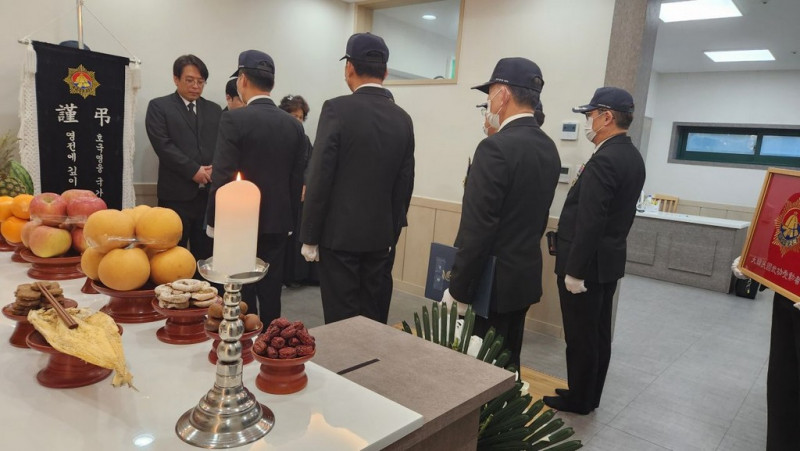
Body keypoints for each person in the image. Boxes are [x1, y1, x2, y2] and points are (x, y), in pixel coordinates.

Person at [442, 58, 561, 371]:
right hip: (521, 279)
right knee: (507, 365)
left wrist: (458, 290)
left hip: (488, 286)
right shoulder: (548, 148)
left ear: (504, 94)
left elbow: (479, 229)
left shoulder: (494, 148)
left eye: (490, 93)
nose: (489, 103)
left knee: (477, 371)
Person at [300, 32, 415, 325]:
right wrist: (391, 234)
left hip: (338, 238)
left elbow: (320, 176)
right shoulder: (403, 118)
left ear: (349, 67)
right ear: (385, 72)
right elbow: (404, 185)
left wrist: (310, 236)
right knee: (373, 317)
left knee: (342, 320)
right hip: (381, 239)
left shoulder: (336, 109)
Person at [544, 87, 646, 415]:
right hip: (608, 261)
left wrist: (574, 271)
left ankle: (579, 399)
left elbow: (590, 220)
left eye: (590, 115)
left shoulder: (605, 159)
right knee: (598, 334)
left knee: (581, 336)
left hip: (586, 266)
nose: (588, 122)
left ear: (607, 117)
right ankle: (589, 394)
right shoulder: (631, 156)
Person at [206, 50, 305, 326]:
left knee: (242, 287)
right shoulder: (294, 125)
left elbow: (223, 175)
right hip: (278, 221)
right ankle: (272, 338)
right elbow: (296, 179)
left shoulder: (234, 119)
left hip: (238, 223)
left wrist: (213, 221)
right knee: (272, 288)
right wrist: (290, 220)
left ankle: (244, 339)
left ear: (243, 79)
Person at [145, 55, 222, 266]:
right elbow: (163, 145)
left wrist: (214, 168)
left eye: (201, 81)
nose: (196, 86)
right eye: (190, 80)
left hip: (207, 196)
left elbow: (222, 145)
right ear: (176, 79)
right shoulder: (159, 107)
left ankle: (204, 289)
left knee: (206, 257)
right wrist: (193, 170)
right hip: (175, 196)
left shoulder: (214, 110)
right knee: (171, 257)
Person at [278, 94, 317, 287]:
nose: (298, 121)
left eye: (301, 117)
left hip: (300, 194)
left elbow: (311, 164)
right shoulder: (276, 137)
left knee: (297, 236)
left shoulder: (305, 139)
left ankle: (295, 276)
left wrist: (305, 184)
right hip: (282, 193)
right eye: (294, 116)